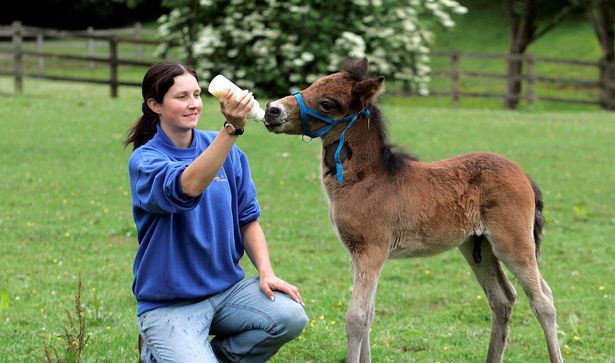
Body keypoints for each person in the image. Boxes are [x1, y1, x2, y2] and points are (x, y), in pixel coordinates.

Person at [124, 61, 308, 362]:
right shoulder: (146, 161)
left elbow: (247, 219)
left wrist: (266, 271)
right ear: (154, 104)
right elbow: (187, 187)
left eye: (197, 95)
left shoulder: (228, 152)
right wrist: (232, 129)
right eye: (181, 97)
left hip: (227, 292)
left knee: (290, 316)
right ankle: (155, 350)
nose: (193, 104)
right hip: (170, 304)